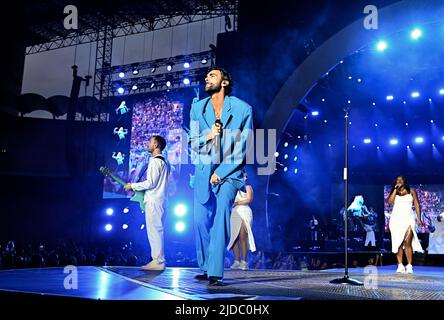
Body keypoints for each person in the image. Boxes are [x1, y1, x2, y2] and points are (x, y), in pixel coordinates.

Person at [189, 67, 253, 286]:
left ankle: (215, 272)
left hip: (229, 172)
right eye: (206, 76)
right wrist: (209, 135)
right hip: (204, 171)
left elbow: (243, 148)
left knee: (220, 217)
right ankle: (206, 266)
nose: (207, 78)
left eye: (212, 76)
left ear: (224, 83)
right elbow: (193, 142)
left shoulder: (243, 109)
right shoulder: (197, 108)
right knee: (199, 221)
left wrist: (221, 172)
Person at [124, 135, 169, 271]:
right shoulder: (163, 161)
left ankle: (158, 260)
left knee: (154, 231)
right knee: (156, 230)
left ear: (156, 145)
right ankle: (157, 260)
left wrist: (133, 186)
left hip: (154, 201)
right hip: (159, 200)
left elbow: (151, 183)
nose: (147, 144)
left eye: (150, 142)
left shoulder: (156, 162)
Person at [387, 176, 423, 274]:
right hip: (396, 219)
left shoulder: (411, 191)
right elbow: (389, 202)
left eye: (401, 180)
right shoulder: (394, 191)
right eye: (397, 180)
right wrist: (395, 189)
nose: (399, 181)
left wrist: (419, 218)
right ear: (395, 182)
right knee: (398, 242)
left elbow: (416, 204)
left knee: (408, 242)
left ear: (404, 181)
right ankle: (400, 265)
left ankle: (410, 265)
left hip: (408, 218)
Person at [227, 172, 256, 270]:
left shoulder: (248, 187)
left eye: (246, 176)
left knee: (242, 236)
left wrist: (238, 202)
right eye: (243, 176)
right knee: (234, 237)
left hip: (244, 211)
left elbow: (249, 199)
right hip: (235, 212)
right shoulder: (233, 188)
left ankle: (244, 262)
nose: (245, 177)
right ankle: (236, 261)